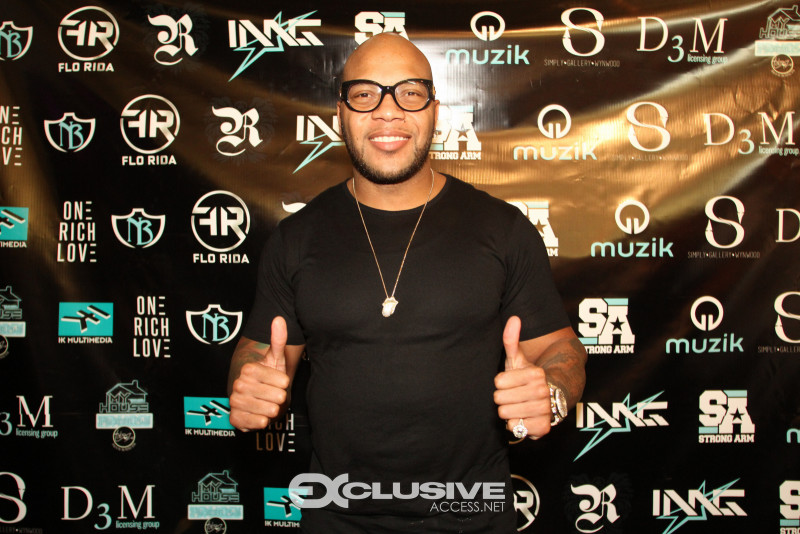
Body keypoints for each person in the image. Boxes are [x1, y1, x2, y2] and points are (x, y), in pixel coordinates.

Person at [227, 33, 587, 533]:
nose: (387, 111)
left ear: (435, 112)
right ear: (340, 114)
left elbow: (561, 349)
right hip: (338, 515)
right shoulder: (296, 238)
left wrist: (552, 392)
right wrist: (248, 383)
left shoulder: (502, 230)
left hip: (471, 515)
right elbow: (258, 354)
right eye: (365, 94)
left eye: (409, 93)